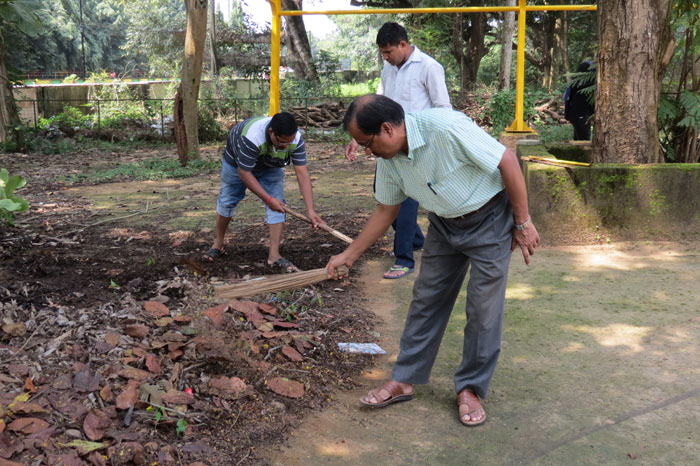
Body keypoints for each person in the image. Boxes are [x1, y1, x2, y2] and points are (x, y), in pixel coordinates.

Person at [327, 94, 540, 426]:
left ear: (386, 129)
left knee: (483, 308)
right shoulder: (389, 159)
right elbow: (386, 209)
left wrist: (522, 222)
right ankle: (404, 378)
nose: (367, 152)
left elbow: (508, 161)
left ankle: (470, 388)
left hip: (490, 220)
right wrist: (349, 255)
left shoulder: (446, 126)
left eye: (367, 143)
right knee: (426, 299)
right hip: (443, 223)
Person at [345, 22, 452, 280]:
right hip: (386, 143)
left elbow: (443, 109)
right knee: (384, 196)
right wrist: (359, 139)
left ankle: (404, 259)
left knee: (403, 203)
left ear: (403, 44)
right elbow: (377, 104)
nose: (385, 57)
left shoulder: (429, 67)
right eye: (382, 53)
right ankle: (415, 240)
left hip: (417, 147)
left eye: (388, 52)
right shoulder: (388, 69)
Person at [204, 112, 325, 272]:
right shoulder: (251, 137)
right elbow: (244, 173)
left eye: (288, 143)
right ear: (271, 132)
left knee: (279, 203)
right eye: (281, 143)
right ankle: (218, 243)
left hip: (270, 165)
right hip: (236, 164)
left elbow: (302, 173)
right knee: (227, 200)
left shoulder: (294, 140)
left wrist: (310, 210)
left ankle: (274, 255)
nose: (285, 147)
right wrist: (268, 200)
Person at [564, 61, 595, 141]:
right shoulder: (584, 85)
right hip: (580, 115)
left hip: (574, 114)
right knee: (584, 140)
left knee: (578, 138)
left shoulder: (574, 83)